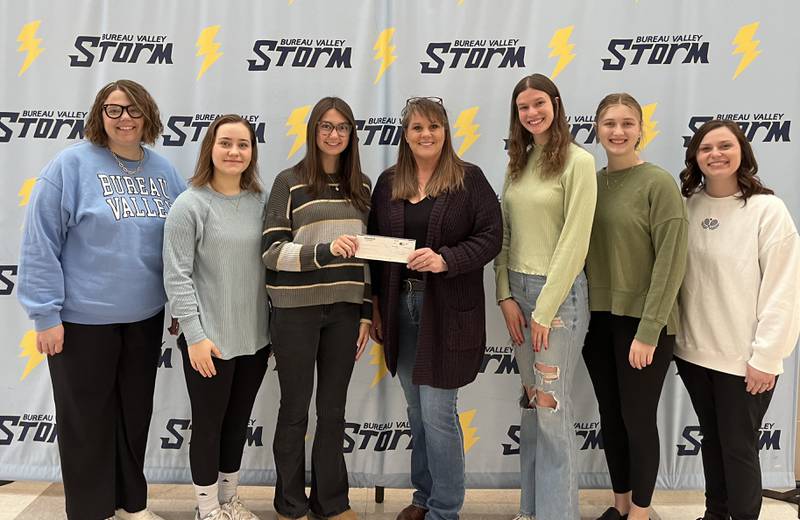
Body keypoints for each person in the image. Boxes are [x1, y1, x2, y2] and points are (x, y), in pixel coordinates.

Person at [17, 79, 185, 520]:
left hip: (145, 318)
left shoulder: (164, 172)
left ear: (147, 114)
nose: (124, 118)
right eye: (114, 110)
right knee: (86, 423)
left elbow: (181, 246)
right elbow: (40, 243)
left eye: (133, 110)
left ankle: (131, 505)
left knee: (133, 417)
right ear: (99, 116)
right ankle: (92, 511)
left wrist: (180, 307)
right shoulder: (70, 166)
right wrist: (45, 313)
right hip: (79, 322)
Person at [369, 96, 502, 520]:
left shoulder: (469, 179)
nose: (426, 135)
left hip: (447, 310)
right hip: (399, 308)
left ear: (446, 131)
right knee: (415, 410)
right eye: (417, 128)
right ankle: (424, 497)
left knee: (439, 413)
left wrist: (447, 259)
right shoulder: (389, 182)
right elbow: (375, 248)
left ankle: (446, 509)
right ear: (405, 135)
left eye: (434, 127)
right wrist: (374, 304)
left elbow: (491, 237)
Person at [676, 120, 800, 520]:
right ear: (695, 157)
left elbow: (784, 289)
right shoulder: (689, 205)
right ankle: (716, 514)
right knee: (712, 442)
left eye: (725, 146)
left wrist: (766, 356)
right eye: (706, 148)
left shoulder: (768, 210)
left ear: (742, 152)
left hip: (744, 359)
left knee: (738, 447)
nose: (716, 154)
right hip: (695, 354)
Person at [262, 97, 371, 520]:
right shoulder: (288, 182)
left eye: (342, 127)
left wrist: (364, 311)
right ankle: (290, 503)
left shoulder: (361, 186)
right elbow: (271, 252)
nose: (334, 134)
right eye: (326, 126)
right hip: (295, 311)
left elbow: (367, 260)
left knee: (333, 411)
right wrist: (323, 251)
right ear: (313, 130)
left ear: (351, 135)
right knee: (294, 409)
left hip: (344, 312)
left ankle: (331, 502)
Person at [493, 74, 596, 520]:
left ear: (555, 103)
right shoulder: (519, 162)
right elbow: (505, 233)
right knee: (533, 407)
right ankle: (530, 511)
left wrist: (546, 310)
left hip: (559, 300)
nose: (531, 113)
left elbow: (575, 241)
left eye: (538, 103)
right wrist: (505, 296)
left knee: (552, 411)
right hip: (519, 294)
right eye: (522, 107)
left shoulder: (579, 162)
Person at [582, 93, 687, 520]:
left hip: (644, 324)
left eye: (627, 123)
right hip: (597, 321)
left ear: (642, 129)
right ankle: (620, 504)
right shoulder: (591, 181)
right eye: (609, 123)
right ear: (597, 129)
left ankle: (641, 514)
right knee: (611, 416)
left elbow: (671, 260)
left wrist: (649, 329)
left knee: (638, 419)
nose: (618, 131)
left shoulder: (658, 183)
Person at [163, 115, 269, 520]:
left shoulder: (261, 203)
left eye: (243, 145)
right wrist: (195, 337)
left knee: (237, 422)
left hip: (255, 340)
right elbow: (177, 276)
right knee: (208, 425)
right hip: (209, 341)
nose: (234, 151)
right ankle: (207, 509)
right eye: (226, 143)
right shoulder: (189, 205)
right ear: (210, 147)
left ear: (252, 153)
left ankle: (229, 500)